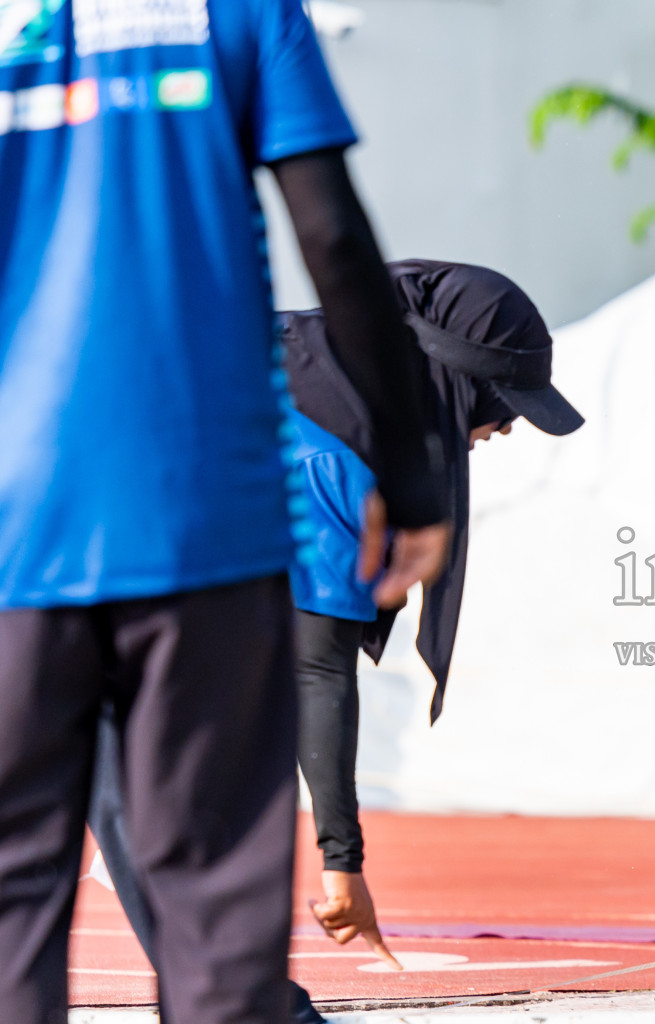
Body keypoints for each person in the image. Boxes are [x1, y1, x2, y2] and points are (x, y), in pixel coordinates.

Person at [0, 0, 450, 1020]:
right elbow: (334, 238)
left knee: (12, 901)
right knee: (214, 911)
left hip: (15, 527)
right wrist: (414, 471)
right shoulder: (240, 10)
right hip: (205, 516)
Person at [87, 261, 583, 1018]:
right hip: (58, 559)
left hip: (101, 562)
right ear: (448, 381)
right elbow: (318, 673)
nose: (508, 425)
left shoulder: (318, 374)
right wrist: (341, 867)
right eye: (501, 401)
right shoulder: (334, 454)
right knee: (129, 773)